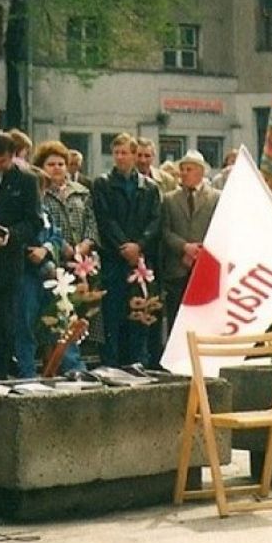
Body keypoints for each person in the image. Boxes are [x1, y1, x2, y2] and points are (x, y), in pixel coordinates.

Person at [91, 132, 162, 367]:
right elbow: (105, 219)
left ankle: (136, 361)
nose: (120, 157)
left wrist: (139, 246)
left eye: (125, 153)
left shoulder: (149, 187)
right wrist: (124, 246)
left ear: (134, 155)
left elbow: (155, 221)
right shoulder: (102, 184)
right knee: (112, 314)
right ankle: (110, 362)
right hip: (114, 257)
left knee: (139, 312)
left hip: (140, 260)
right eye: (116, 153)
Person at [35, 140, 96, 372]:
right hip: (53, 265)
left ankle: (71, 363)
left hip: (81, 263)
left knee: (76, 317)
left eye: (61, 163)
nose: (58, 168)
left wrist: (85, 245)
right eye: (51, 164)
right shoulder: (40, 193)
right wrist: (65, 248)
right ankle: (65, 364)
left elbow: (91, 222)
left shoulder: (81, 192)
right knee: (56, 317)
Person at [0, 130, 42, 379]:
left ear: (12, 156)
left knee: (2, 326)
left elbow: (34, 223)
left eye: (2, 161)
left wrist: (10, 236)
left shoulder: (26, 181)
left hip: (4, 265)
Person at [159, 150, 220, 331]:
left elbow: (219, 229)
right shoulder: (169, 199)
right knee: (176, 320)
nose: (183, 173)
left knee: (203, 320)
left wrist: (199, 253)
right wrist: (184, 247)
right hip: (178, 269)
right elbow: (165, 230)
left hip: (205, 268)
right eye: (182, 169)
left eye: (189, 169)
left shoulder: (216, 198)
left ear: (200, 172)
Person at [15, 170, 65, 378]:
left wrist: (46, 249)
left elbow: (57, 237)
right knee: (25, 323)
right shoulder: (21, 213)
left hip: (48, 277)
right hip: (28, 275)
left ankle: (50, 369)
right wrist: (40, 258)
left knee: (52, 323)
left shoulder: (47, 212)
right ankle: (26, 370)